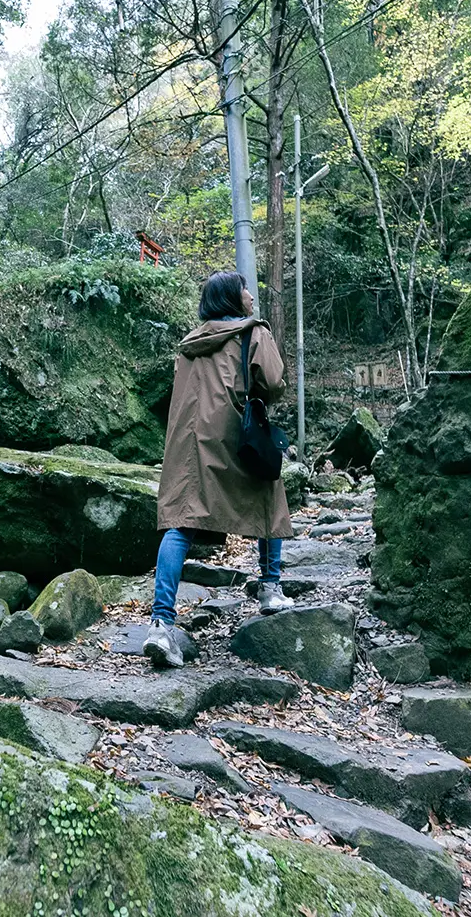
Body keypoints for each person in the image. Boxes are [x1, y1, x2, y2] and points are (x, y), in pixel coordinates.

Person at [143, 270, 294, 668]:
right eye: (245, 288)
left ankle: (161, 624)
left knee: (180, 523)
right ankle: (270, 587)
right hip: (235, 435)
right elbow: (275, 383)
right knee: (268, 494)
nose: (250, 295)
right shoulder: (253, 333)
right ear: (232, 297)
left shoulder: (188, 345)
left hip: (188, 445)